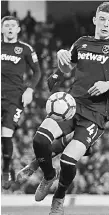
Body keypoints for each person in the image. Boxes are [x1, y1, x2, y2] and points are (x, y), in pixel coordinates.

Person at [31, 3, 109, 215]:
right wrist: (62, 55)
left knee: (68, 160)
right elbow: (66, 67)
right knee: (39, 140)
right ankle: (49, 175)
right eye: (102, 19)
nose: (106, 24)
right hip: (71, 105)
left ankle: (59, 198)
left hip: (96, 114)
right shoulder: (81, 43)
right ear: (95, 20)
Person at [1, 16, 41, 189]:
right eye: (6, 26)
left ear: (18, 30)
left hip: (14, 97)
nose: (10, 28)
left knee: (6, 134)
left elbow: (37, 72)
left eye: (13, 26)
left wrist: (30, 89)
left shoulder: (25, 49)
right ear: (1, 29)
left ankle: (5, 170)